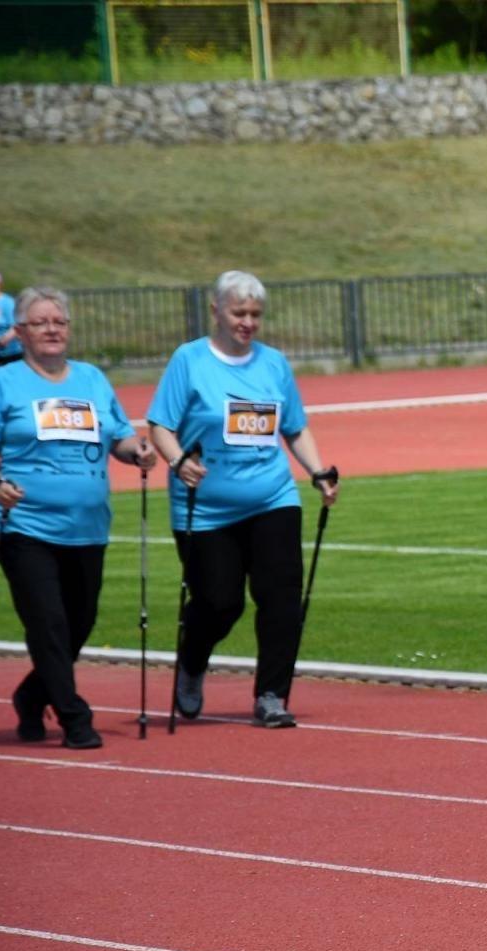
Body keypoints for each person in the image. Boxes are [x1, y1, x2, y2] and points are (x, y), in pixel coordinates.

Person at [147, 270, 339, 729]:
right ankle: (192, 663)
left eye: (255, 314)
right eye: (239, 313)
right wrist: (177, 461)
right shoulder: (189, 361)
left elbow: (293, 426)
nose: (248, 322)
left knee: (281, 597)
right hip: (206, 508)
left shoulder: (273, 364)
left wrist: (317, 472)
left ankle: (272, 694)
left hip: (272, 496)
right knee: (219, 601)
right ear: (216, 311)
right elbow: (160, 425)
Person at [0, 287, 157, 748]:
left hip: (88, 527)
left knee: (79, 624)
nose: (52, 329)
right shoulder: (4, 384)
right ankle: (74, 717)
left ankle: (32, 696)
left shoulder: (91, 379)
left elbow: (119, 436)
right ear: (20, 333)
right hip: (25, 526)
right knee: (48, 623)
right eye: (41, 322)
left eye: (59, 321)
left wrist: (139, 452)